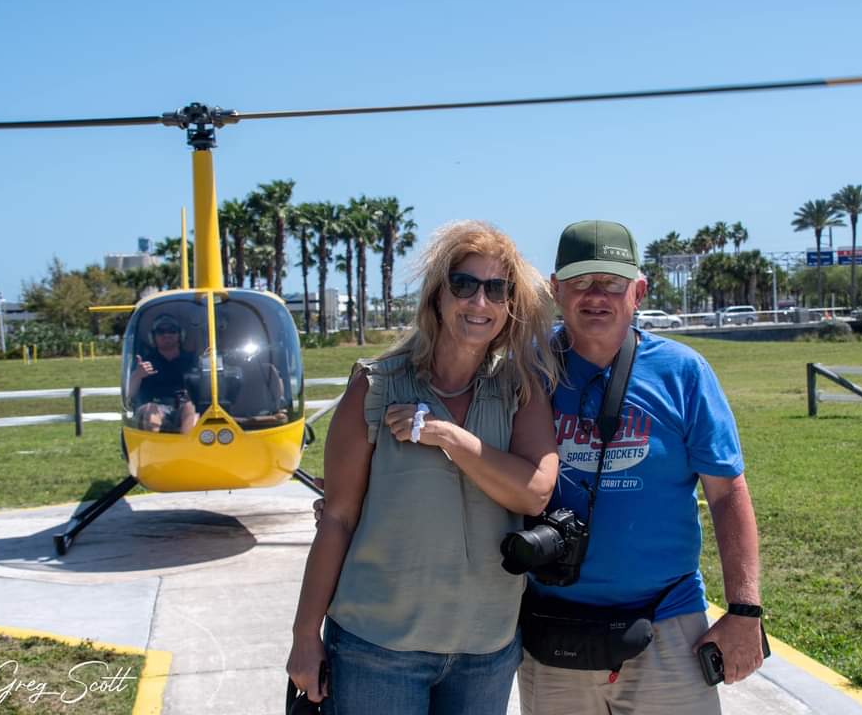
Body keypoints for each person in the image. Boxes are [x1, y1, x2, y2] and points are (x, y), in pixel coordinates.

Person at [287, 220, 560, 714]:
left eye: (497, 289)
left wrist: (447, 437)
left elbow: (534, 492)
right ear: (437, 296)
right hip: (378, 648)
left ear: (510, 305)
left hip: (487, 649)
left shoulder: (521, 389)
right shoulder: (375, 388)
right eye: (464, 285)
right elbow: (338, 517)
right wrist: (306, 635)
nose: (479, 303)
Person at [517, 220, 764, 715]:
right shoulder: (526, 368)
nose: (596, 296)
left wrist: (744, 611)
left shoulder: (682, 373)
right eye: (581, 282)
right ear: (555, 289)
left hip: (667, 624)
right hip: (552, 629)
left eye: (611, 282)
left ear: (639, 290)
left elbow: (726, 492)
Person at [127, 313, 198, 433]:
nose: (166, 335)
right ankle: (156, 449)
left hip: (182, 407)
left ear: (180, 335)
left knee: (191, 407)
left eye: (172, 330)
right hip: (154, 407)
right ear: (153, 337)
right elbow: (129, 394)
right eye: (161, 331)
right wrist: (138, 375)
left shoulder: (192, 360)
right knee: (150, 411)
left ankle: (186, 448)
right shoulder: (144, 363)